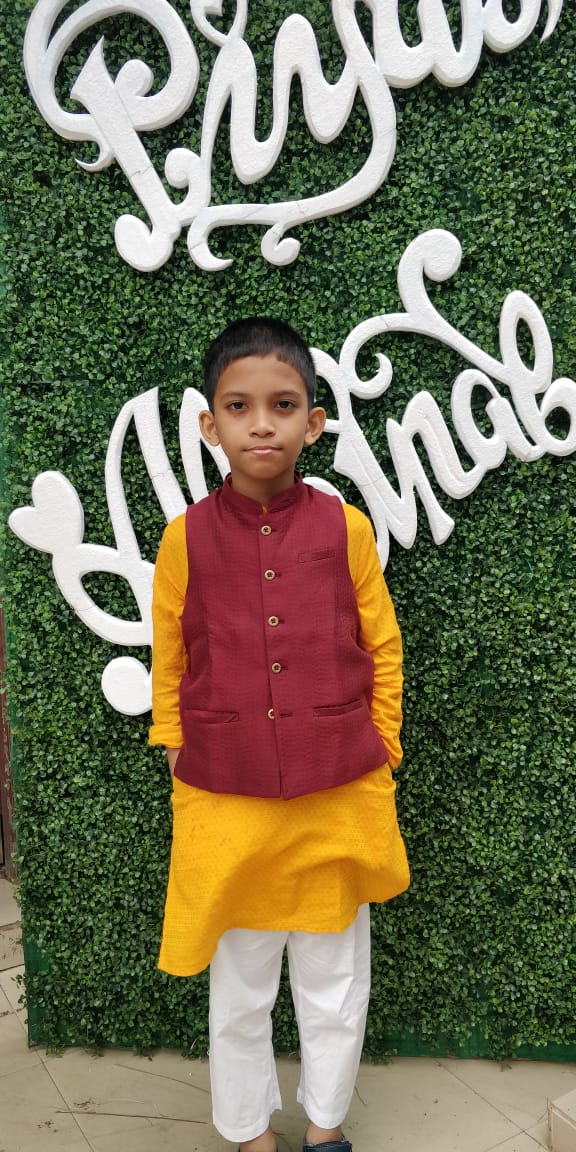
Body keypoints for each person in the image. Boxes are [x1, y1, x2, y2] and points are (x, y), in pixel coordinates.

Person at [149, 317, 410, 1152]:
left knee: (335, 982)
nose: (261, 424)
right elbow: (169, 656)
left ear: (314, 421)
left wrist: (383, 746)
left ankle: (325, 1128)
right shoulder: (184, 538)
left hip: (338, 794)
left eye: (283, 405)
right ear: (210, 423)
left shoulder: (347, 528)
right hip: (227, 803)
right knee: (241, 990)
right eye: (239, 406)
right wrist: (177, 748)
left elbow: (383, 645)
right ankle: (249, 1133)